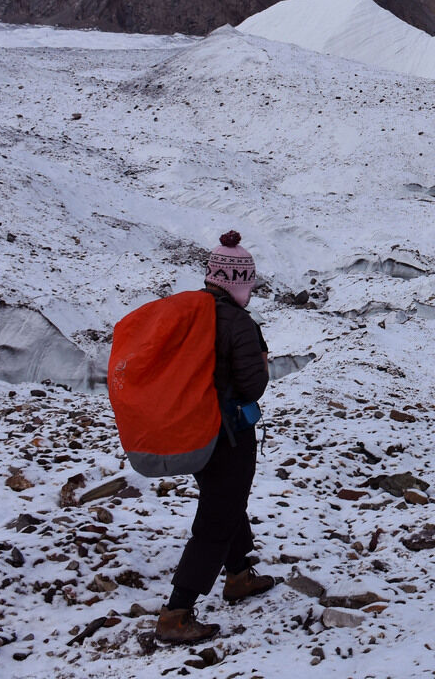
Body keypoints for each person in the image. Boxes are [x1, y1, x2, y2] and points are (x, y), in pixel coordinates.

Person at [156, 231, 275, 645]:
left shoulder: (184, 311)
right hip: (228, 435)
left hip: (190, 429)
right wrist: (261, 362)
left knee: (225, 501)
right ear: (240, 281)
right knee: (216, 518)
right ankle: (177, 613)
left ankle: (239, 574)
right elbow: (252, 385)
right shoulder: (239, 324)